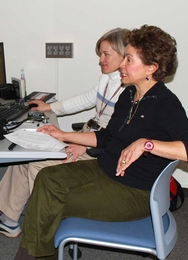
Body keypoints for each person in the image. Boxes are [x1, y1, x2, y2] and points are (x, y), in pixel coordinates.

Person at [14, 25, 188, 259]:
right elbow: (106, 137)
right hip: (106, 168)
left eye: (128, 59)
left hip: (134, 191)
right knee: (46, 178)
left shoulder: (166, 104)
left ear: (151, 68)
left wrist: (146, 144)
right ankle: (40, 254)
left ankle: (34, 256)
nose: (122, 65)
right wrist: (61, 134)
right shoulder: (129, 94)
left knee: (53, 202)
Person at [0, 28, 128, 238]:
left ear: (124, 56)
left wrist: (86, 145)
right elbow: (86, 99)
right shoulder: (108, 78)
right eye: (100, 54)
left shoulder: (128, 90)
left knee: (37, 166)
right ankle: (9, 220)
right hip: (91, 138)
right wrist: (50, 107)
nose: (101, 59)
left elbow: (116, 135)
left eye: (106, 54)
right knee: (23, 155)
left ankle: (48, 226)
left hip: (99, 149)